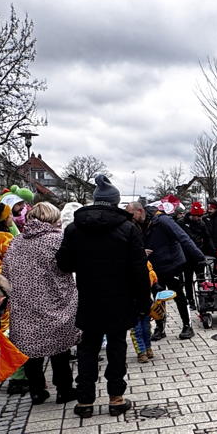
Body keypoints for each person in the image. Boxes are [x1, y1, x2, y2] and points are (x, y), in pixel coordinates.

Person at [58, 176, 152, 418]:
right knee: (116, 347)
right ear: (116, 202)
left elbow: (64, 264)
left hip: (88, 296)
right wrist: (144, 301)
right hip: (120, 297)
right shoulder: (128, 228)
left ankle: (85, 400)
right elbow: (139, 269)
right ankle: (115, 397)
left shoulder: (74, 228)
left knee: (88, 347)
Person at [3, 202, 80, 404]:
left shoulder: (17, 242)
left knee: (30, 349)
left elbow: (6, 272)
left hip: (24, 304)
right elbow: (69, 266)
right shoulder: (58, 240)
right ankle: (64, 390)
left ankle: (37, 391)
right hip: (55, 301)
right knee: (59, 348)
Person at [130, 199, 201, 340]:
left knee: (178, 295)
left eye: (132, 215)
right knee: (158, 297)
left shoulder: (162, 220)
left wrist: (199, 256)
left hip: (172, 263)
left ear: (140, 211)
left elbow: (183, 237)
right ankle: (160, 327)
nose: (130, 218)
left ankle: (187, 326)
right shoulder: (136, 224)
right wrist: (141, 252)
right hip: (154, 267)